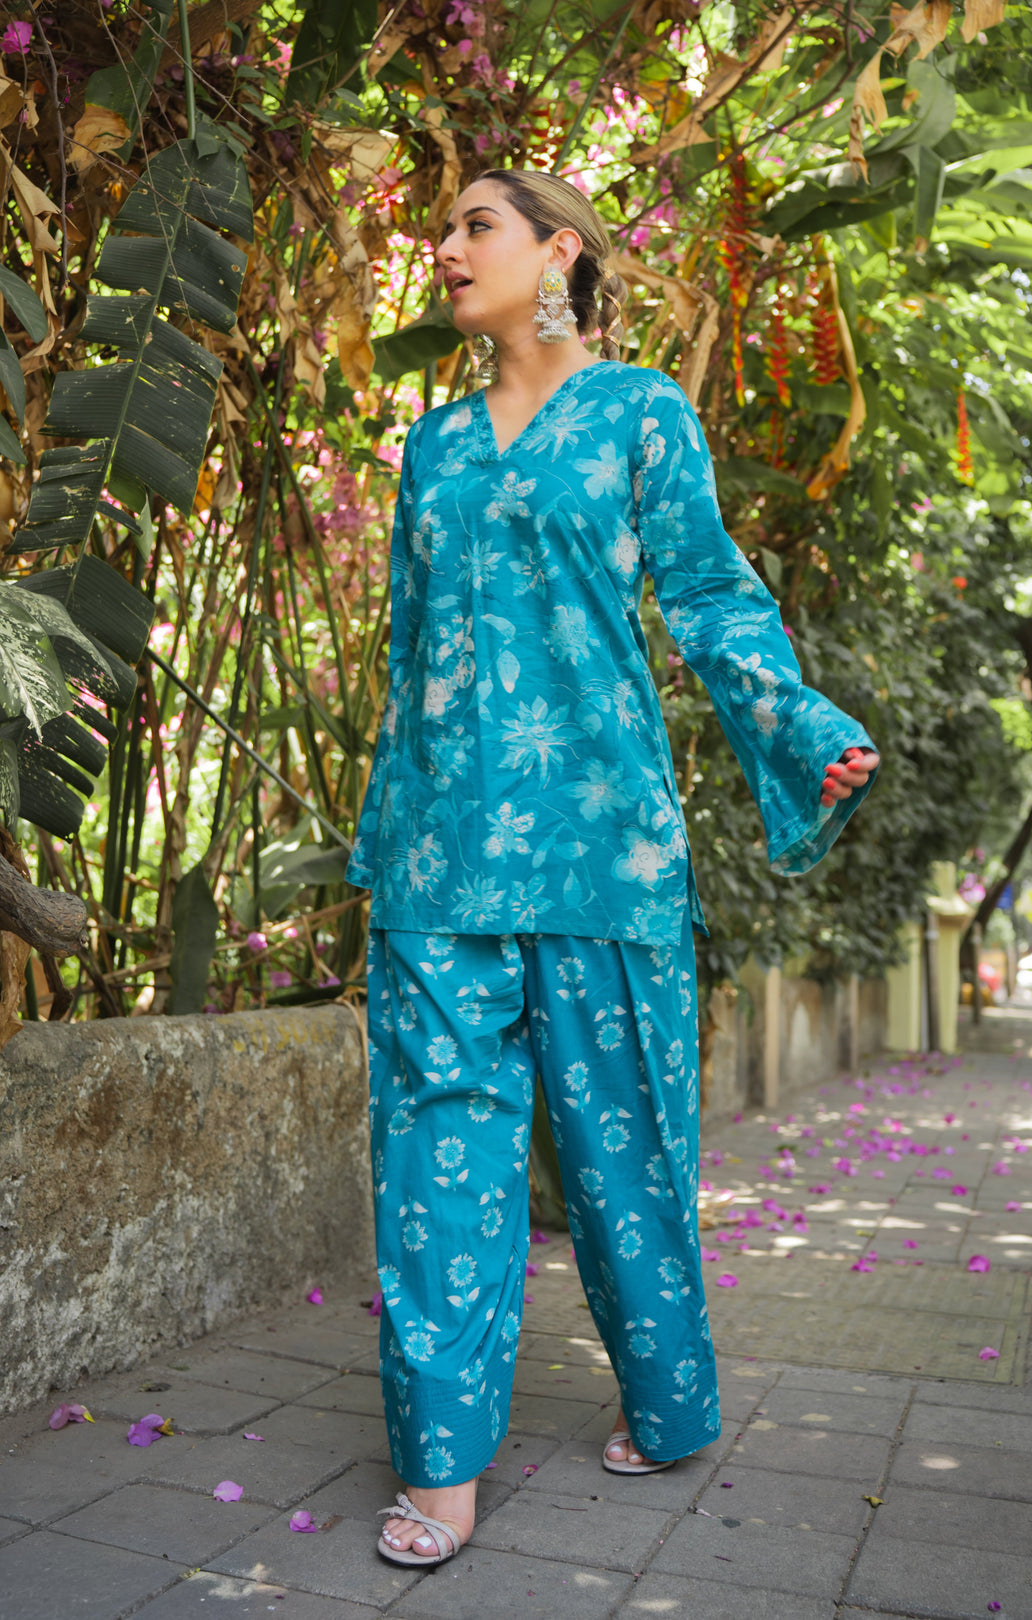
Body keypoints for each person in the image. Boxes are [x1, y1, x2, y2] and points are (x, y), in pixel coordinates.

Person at [346, 167, 879, 1567]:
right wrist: (383, 831)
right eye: (444, 227)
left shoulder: (642, 413)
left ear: (558, 253)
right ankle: (441, 1470)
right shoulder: (434, 446)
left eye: (476, 224)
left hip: (604, 847)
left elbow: (704, 594)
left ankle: (673, 1402)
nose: (446, 247)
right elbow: (408, 655)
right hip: (441, 856)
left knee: (623, 1155)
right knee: (436, 1167)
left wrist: (799, 724)